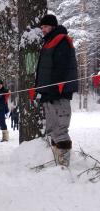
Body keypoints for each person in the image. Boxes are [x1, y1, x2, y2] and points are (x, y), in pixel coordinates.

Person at [36, 14, 78, 167]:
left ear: (52, 26)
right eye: (42, 28)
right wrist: (40, 89)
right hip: (49, 92)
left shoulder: (61, 40)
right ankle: (58, 164)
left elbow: (61, 68)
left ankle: (63, 166)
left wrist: (55, 89)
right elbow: (45, 69)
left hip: (58, 93)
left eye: (45, 27)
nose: (43, 30)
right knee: (53, 129)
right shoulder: (49, 42)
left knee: (60, 128)